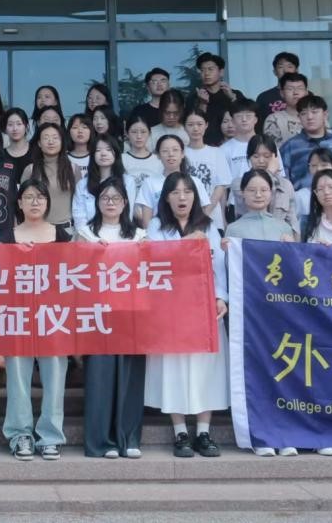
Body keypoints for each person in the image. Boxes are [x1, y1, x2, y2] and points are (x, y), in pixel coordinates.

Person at [144, 173, 229, 458]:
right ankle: (180, 431)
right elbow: (154, 258)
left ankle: (203, 432)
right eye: (175, 192)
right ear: (166, 198)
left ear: (196, 196)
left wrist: (221, 297)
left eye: (188, 192)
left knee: (207, 369)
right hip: (171, 308)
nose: (182, 197)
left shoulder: (209, 226)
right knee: (174, 369)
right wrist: (189, 243)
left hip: (204, 306)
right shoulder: (156, 226)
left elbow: (219, 266)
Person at [78, 178, 147, 459]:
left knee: (131, 377)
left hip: (131, 313)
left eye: (116, 198)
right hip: (97, 313)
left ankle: (129, 438)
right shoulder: (85, 233)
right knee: (100, 377)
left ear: (125, 203)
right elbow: (73, 270)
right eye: (105, 197)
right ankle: (102, 442)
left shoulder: (139, 234)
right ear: (97, 202)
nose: (110, 202)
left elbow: (150, 270)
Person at [4, 180, 70, 461]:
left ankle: (51, 436)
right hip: (18, 314)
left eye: (40, 197)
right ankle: (20, 434)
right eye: (28, 197)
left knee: (54, 376)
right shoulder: (7, 236)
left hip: (53, 315)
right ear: (19, 203)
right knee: (18, 378)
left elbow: (74, 275)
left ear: (47, 202)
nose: (34, 202)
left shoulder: (62, 235)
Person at [134, 135, 212, 228]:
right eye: (165, 151)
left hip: (190, 231)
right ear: (158, 155)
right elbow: (147, 219)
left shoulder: (195, 182)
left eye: (175, 150)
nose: (170, 154)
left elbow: (203, 212)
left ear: (182, 154)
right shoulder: (149, 183)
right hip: (160, 232)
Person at [20, 123, 79, 236]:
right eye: (46, 138)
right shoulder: (30, 170)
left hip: (67, 230)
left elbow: (80, 202)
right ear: (39, 143)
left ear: (62, 142)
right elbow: (22, 202)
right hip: (38, 231)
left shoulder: (73, 169)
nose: (51, 142)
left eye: (55, 138)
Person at [230, 135, 298, 234]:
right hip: (249, 237)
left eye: (267, 156)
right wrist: (269, 173)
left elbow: (293, 222)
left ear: (275, 158)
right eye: (256, 156)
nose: (261, 161)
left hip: (279, 238)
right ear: (249, 158)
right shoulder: (239, 183)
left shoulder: (286, 185)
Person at [182, 108, 232, 229]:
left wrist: (205, 213)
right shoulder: (180, 153)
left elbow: (220, 186)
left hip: (213, 216)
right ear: (184, 127)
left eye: (199, 124)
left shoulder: (217, 152)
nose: (195, 128)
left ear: (206, 125)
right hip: (185, 216)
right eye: (190, 125)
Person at [187, 53, 247, 147]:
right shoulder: (194, 98)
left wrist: (233, 98)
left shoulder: (235, 94)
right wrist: (203, 104)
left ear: (221, 72)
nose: (206, 73)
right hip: (206, 146)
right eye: (202, 70)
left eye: (210, 69)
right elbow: (193, 124)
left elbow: (245, 119)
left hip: (233, 145)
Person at [226, 169, 296, 249]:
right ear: (242, 192)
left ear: (271, 192)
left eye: (264, 190)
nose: (258, 195)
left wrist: (292, 246)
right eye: (252, 190)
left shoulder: (284, 228)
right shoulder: (233, 229)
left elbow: (291, 256)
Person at [72, 133, 125, 236]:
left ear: (116, 153)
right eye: (98, 150)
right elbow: (79, 217)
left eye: (108, 150)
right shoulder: (82, 185)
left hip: (119, 236)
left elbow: (128, 214)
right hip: (88, 237)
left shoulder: (127, 181)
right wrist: (91, 238)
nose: (103, 154)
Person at [219, 98, 259, 186]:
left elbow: (279, 175)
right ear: (233, 120)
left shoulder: (267, 145)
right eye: (239, 116)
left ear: (256, 119)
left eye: (248, 116)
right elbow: (222, 184)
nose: (244, 119)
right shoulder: (223, 150)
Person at [121, 113, 163, 196]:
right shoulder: (121, 159)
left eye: (143, 132)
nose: (139, 136)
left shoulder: (159, 160)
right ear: (126, 133)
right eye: (134, 132)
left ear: (149, 133)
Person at [264, 72, 307, 143]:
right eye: (290, 89)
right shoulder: (274, 120)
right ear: (282, 93)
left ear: (306, 92)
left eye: (300, 88)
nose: (295, 92)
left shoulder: (316, 117)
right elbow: (272, 148)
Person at [256, 52, 299, 119]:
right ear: (275, 72)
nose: (285, 71)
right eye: (281, 67)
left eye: (289, 67)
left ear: (296, 71)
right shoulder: (264, 97)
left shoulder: (306, 95)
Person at [2, 108, 32, 179]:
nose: (15, 128)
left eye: (19, 124)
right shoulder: (1, 155)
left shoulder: (36, 151)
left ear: (26, 127)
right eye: (10, 125)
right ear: (5, 129)